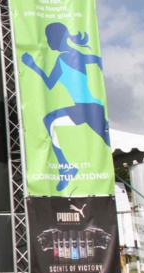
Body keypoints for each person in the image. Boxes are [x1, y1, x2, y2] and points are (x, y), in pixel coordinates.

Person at [21, 22, 109, 192]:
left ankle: (65, 166)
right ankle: (65, 167)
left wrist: (32, 64)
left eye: (48, 38)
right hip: (87, 107)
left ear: (56, 37)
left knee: (50, 120)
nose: (47, 42)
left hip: (88, 107)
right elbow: (51, 82)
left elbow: (49, 83)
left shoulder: (67, 56)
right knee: (50, 120)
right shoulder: (70, 56)